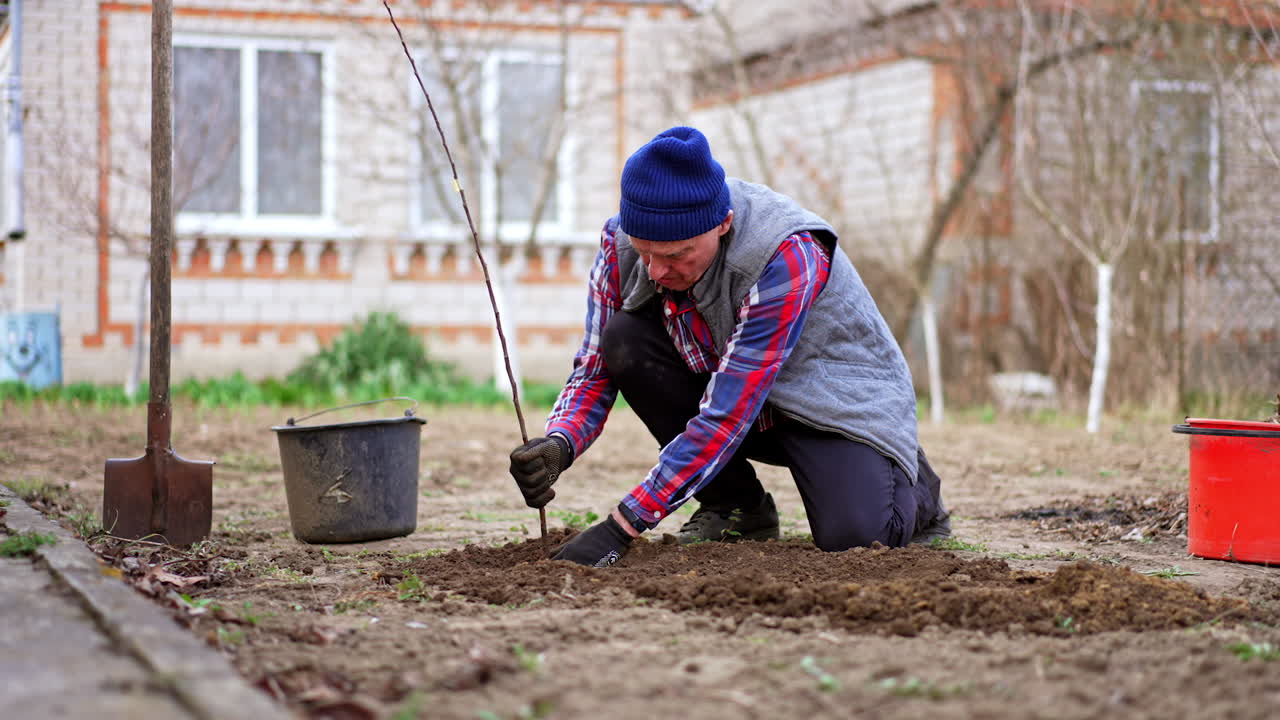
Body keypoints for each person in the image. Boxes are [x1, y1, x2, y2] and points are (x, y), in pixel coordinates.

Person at [509, 126, 949, 568]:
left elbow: (728, 412)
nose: (657, 271)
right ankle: (736, 506)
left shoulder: (785, 252)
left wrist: (623, 525)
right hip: (738, 390)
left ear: (723, 223)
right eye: (646, 252)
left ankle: (910, 484)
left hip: (835, 404)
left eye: (678, 254)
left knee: (855, 538)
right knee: (623, 338)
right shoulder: (618, 243)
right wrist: (560, 441)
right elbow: (594, 369)